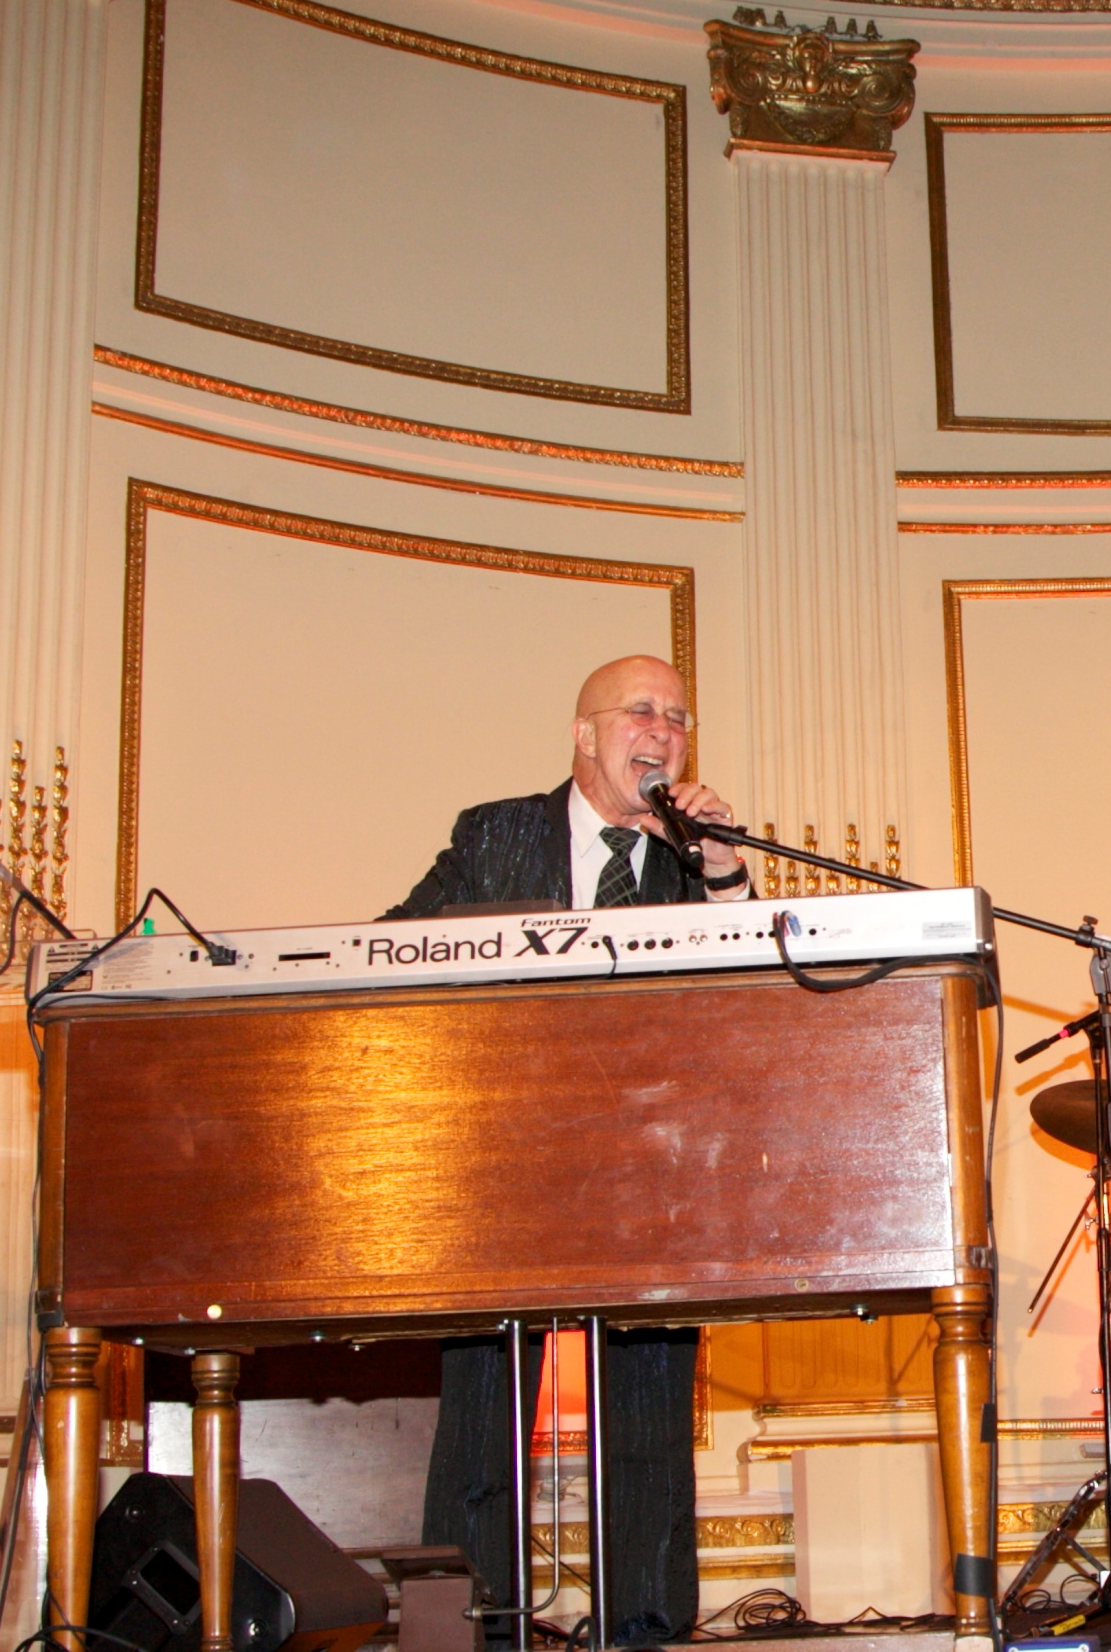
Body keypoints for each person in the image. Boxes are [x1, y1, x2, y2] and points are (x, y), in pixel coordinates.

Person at [387, 655, 751, 1647]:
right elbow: (392, 950)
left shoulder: (694, 857)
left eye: (679, 715)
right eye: (642, 710)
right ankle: (471, 1629)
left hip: (652, 1168)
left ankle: (642, 1624)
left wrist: (724, 874)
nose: (664, 729)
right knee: (482, 1415)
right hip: (504, 1158)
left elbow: (749, 997)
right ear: (585, 734)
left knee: (645, 1416)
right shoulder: (494, 833)